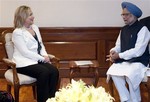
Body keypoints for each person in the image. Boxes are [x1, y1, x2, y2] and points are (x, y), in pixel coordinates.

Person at [12, 5, 59, 102]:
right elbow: (25, 52)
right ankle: (42, 100)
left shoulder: (35, 27)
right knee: (44, 72)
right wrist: (42, 59)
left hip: (36, 60)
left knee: (54, 71)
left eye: (32, 14)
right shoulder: (17, 32)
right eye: (30, 15)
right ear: (23, 17)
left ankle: (51, 99)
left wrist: (45, 55)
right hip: (23, 63)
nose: (33, 16)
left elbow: (40, 44)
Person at [106, 2, 150, 102]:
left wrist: (119, 55)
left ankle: (135, 100)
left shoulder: (143, 29)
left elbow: (138, 51)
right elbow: (118, 46)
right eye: (123, 14)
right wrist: (113, 51)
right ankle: (125, 99)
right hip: (125, 61)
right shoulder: (123, 30)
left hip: (139, 62)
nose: (124, 17)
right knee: (114, 72)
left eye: (126, 15)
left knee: (131, 75)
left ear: (134, 15)